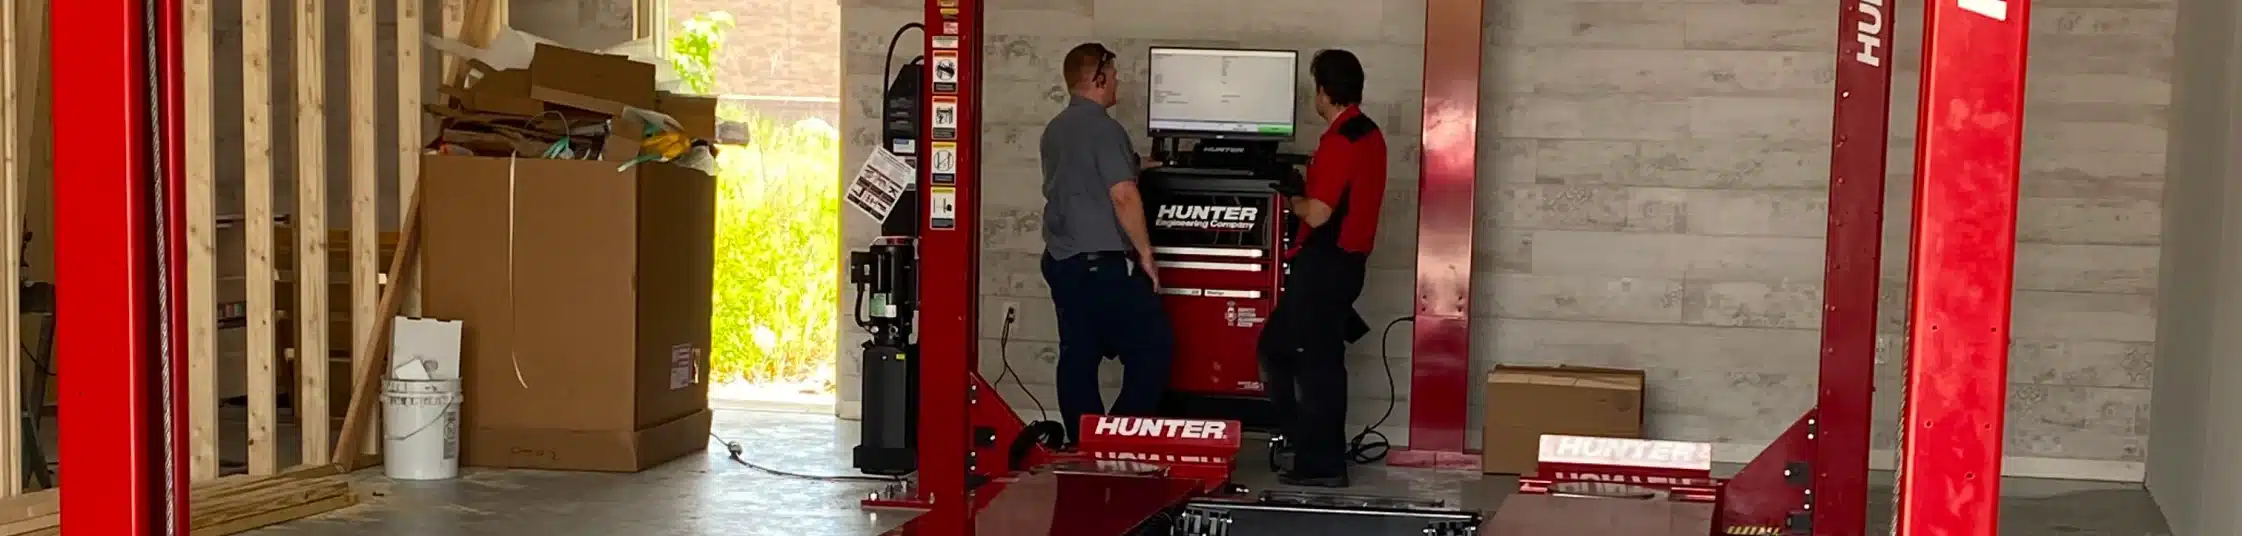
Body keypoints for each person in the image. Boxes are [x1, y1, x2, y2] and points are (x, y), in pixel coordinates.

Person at [1259, 49, 1386, 488]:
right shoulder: (1370, 134)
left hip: (1324, 266)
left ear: (1324, 92)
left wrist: (1291, 196)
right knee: (1316, 359)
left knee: (1303, 360)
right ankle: (1316, 453)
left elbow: (1317, 214)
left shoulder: (1339, 141)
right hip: (1348, 265)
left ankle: (1317, 459)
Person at [1038, 42, 1174, 446]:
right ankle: (1117, 438)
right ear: (1097, 78)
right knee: (1154, 347)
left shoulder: (1056, 129)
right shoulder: (1105, 129)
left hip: (1062, 260)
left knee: (1078, 355)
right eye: (1113, 75)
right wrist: (1147, 256)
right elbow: (1123, 195)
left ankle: (1085, 444)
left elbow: (1081, 174)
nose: (1118, 82)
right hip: (1101, 265)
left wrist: (1133, 163)